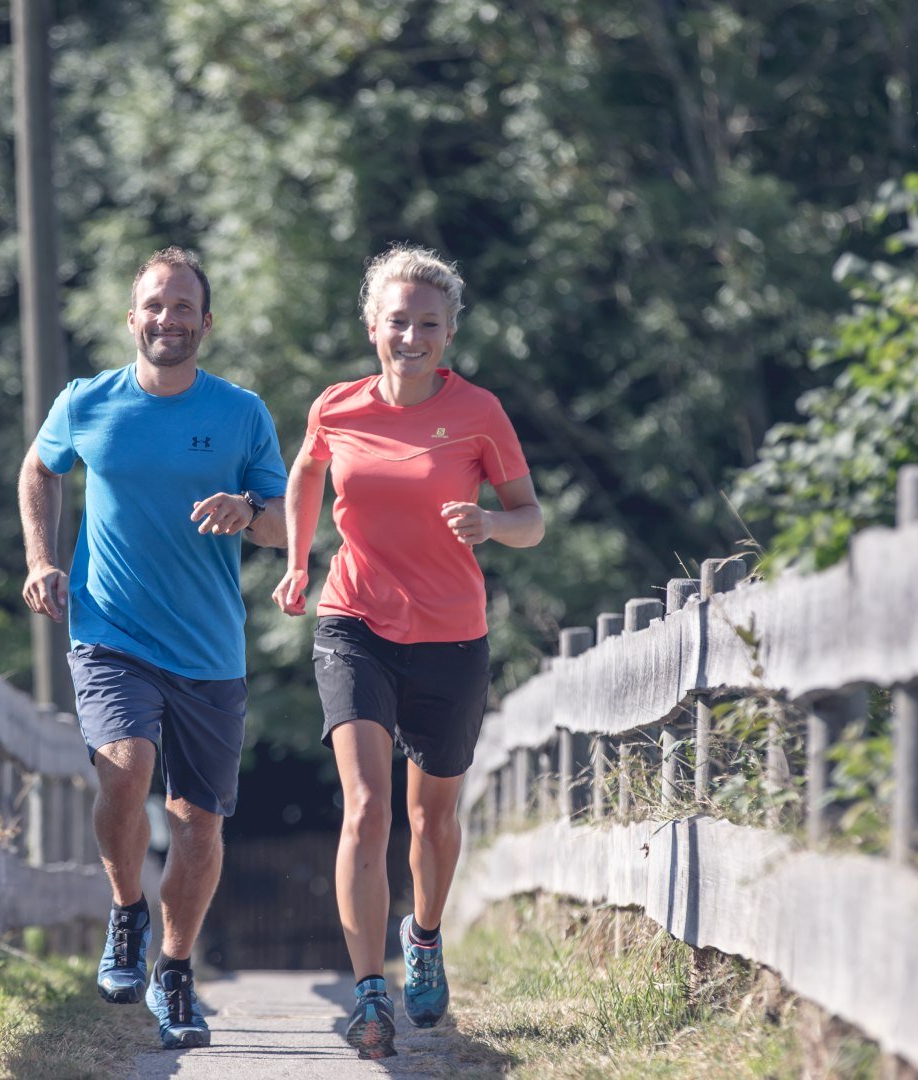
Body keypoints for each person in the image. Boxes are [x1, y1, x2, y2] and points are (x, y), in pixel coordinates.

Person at [272, 244, 543, 1059]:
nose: (412, 336)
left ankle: (422, 936)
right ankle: (368, 993)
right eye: (399, 322)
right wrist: (297, 560)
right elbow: (304, 477)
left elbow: (531, 518)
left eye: (429, 323)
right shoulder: (337, 406)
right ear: (373, 327)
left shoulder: (479, 413)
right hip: (353, 621)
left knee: (433, 818)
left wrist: (493, 525)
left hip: (452, 635)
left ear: (450, 332)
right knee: (367, 806)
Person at [19, 246, 288, 1050]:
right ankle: (126, 913)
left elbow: (287, 527)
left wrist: (247, 509)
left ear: (206, 323)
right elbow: (39, 468)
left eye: (182, 309)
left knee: (198, 823)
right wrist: (41, 558)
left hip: (209, 648)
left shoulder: (241, 413)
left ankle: (174, 973)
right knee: (125, 767)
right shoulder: (87, 402)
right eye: (154, 306)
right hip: (110, 632)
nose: (167, 320)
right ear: (132, 317)